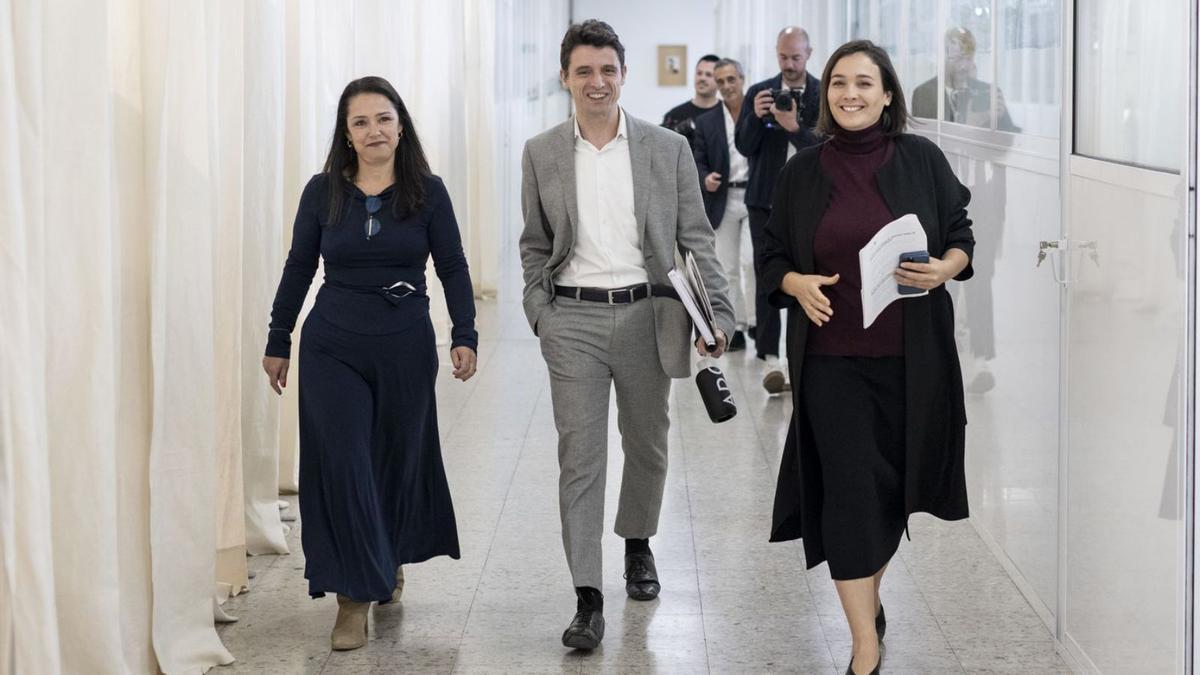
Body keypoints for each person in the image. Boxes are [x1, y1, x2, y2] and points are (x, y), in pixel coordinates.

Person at [760, 41, 975, 675]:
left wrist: (945, 268)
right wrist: (795, 284)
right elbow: (772, 257)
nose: (849, 94)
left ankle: (868, 599)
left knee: (889, 495)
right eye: (838, 84)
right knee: (850, 495)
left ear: (887, 95)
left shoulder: (922, 159)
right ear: (826, 95)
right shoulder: (802, 171)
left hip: (911, 363)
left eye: (863, 83)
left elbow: (960, 230)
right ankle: (863, 647)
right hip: (831, 363)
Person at [520, 19, 735, 651]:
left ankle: (638, 543)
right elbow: (534, 245)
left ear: (623, 75)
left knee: (648, 442)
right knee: (580, 458)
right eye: (583, 70)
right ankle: (587, 595)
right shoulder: (542, 152)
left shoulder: (666, 148)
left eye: (607, 70)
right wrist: (542, 315)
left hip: (650, 313)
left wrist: (716, 314)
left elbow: (697, 239)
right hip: (574, 320)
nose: (596, 81)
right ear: (565, 77)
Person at [261, 76, 478, 651]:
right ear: (347, 133)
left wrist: (465, 333)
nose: (373, 130)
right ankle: (352, 598)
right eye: (360, 122)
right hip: (333, 342)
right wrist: (278, 337)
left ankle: (384, 557)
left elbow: (453, 266)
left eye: (383, 118)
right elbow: (299, 266)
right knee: (344, 463)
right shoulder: (322, 191)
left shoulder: (427, 191)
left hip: (406, 341)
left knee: (394, 458)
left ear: (400, 125)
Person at [735, 26, 821, 393]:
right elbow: (743, 145)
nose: (789, 64)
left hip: (811, 201)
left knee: (807, 273)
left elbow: (827, 147)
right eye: (783, 57)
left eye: (796, 57)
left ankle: (804, 354)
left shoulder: (822, 92)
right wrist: (755, 117)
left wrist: (794, 127)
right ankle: (769, 356)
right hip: (764, 200)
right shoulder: (759, 92)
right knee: (767, 273)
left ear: (809, 54)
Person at [693, 57, 753, 351]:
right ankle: (737, 326)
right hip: (724, 199)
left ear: (742, 79)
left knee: (750, 262)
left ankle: (754, 322)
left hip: (754, 197)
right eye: (721, 81)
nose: (727, 86)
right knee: (727, 266)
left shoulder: (757, 112)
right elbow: (698, 159)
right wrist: (705, 178)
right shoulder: (707, 122)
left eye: (732, 79)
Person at [661, 54, 721, 149]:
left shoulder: (726, 113)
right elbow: (662, 150)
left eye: (709, 74)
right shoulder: (675, 115)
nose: (702, 78)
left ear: (719, 80)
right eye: (699, 73)